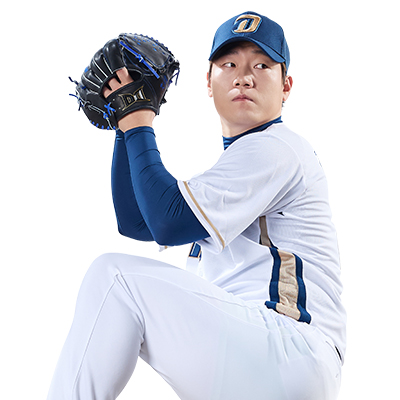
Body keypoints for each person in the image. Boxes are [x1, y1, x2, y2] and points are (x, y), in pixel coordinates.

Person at [47, 11, 346, 400]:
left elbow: (168, 220)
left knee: (114, 279)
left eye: (262, 65)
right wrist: (126, 124)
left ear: (286, 86)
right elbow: (138, 222)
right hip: (258, 361)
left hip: (287, 350)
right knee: (120, 284)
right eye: (229, 64)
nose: (244, 77)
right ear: (209, 81)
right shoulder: (234, 170)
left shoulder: (276, 147)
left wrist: (138, 118)